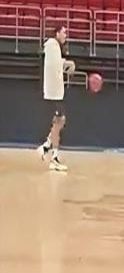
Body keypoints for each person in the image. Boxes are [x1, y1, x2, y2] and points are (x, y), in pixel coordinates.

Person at [37, 25, 75, 172]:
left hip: (56, 92)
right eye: (64, 32)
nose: (66, 35)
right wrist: (67, 64)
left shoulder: (55, 47)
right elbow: (54, 65)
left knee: (59, 121)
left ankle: (47, 146)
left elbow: (56, 65)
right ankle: (53, 157)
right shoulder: (52, 45)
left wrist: (65, 65)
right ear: (57, 33)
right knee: (58, 122)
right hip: (53, 92)